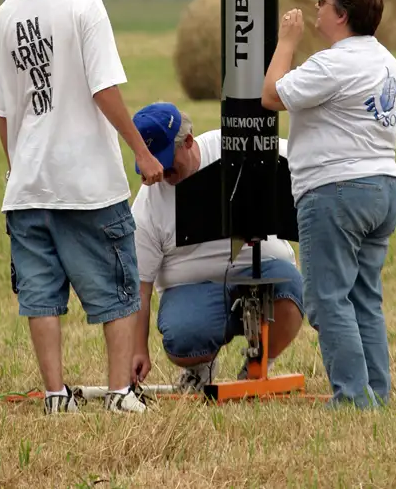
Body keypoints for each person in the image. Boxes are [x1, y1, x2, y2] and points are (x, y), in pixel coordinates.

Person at [0, 0, 164, 416]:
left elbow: (4, 111)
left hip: (28, 184)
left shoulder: (1, 18)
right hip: (87, 181)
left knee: (40, 295)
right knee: (116, 284)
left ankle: (56, 395)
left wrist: (16, 167)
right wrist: (140, 149)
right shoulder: (85, 6)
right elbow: (104, 89)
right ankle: (119, 394)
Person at [261, 0, 396, 409]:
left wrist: (286, 42)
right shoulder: (386, 60)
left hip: (335, 190)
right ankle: (375, 393)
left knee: (326, 299)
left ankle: (352, 399)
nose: (315, 8)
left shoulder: (333, 63)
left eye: (322, 2)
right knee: (363, 295)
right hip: (384, 186)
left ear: (340, 14)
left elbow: (272, 95)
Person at [129, 102, 304, 392]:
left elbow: (298, 159)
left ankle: (258, 366)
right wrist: (138, 350)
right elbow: (141, 287)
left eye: (165, 160)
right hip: (193, 287)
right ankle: (199, 369)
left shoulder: (235, 147)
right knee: (184, 339)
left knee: (290, 291)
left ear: (188, 141)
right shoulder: (146, 207)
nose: (159, 171)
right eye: (149, 160)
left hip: (263, 266)